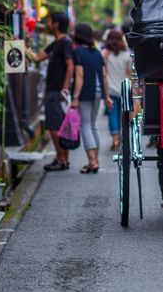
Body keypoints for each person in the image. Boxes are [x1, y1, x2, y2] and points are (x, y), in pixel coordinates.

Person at [27, 11, 74, 171]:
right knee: (57, 126)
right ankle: (62, 159)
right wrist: (21, 47)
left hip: (57, 91)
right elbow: (37, 57)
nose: (47, 24)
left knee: (55, 127)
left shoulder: (65, 42)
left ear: (56, 24)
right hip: (52, 90)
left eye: (50, 21)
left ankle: (61, 159)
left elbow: (70, 65)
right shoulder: (56, 43)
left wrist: (65, 88)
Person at [71, 23, 111, 173]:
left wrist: (75, 97)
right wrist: (107, 96)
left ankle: (92, 162)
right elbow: (104, 75)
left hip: (85, 92)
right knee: (93, 125)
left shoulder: (78, 52)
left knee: (86, 125)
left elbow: (79, 76)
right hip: (99, 91)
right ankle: (96, 160)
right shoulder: (97, 53)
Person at [103, 29, 131, 152]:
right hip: (124, 89)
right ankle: (122, 136)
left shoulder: (104, 54)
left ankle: (115, 138)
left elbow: (103, 74)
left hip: (110, 90)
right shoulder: (127, 55)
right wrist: (135, 91)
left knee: (112, 115)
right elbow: (129, 74)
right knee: (123, 116)